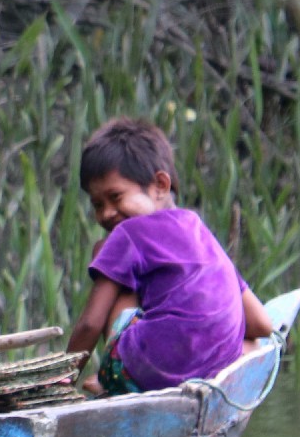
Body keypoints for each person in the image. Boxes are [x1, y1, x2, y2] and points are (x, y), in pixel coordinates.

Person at [64, 117, 275, 394]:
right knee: (253, 346)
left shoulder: (126, 234)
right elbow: (262, 324)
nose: (105, 213)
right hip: (211, 371)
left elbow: (91, 323)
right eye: (97, 204)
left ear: (160, 185)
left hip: (148, 370)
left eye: (115, 197)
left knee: (104, 255)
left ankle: (114, 380)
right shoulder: (199, 231)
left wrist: (61, 383)